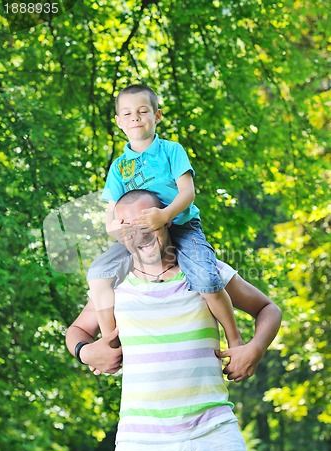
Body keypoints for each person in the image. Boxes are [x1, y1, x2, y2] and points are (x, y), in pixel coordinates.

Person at [66, 190, 282, 451]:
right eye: (130, 228)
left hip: (215, 436)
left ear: (167, 221)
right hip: (142, 449)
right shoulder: (114, 285)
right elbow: (76, 331)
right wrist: (86, 351)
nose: (140, 235)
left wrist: (254, 348)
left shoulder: (207, 272)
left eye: (147, 223)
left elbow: (268, 309)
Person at [87, 83, 242, 351]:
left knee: (206, 279)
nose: (134, 117)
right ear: (118, 122)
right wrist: (116, 230)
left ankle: (235, 338)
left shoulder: (171, 151)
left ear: (157, 116)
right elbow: (111, 211)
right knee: (98, 273)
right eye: (127, 113)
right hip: (138, 235)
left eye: (142, 110)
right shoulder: (119, 166)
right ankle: (111, 343)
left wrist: (165, 215)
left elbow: (187, 192)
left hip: (181, 226)